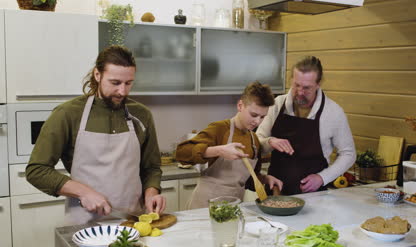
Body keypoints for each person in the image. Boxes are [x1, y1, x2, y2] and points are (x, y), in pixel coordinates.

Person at [26, 45, 166, 225]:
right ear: (97, 75)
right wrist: (83, 192)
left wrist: (152, 192)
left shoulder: (142, 115)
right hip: (84, 222)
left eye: (128, 83)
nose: (122, 91)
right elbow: (37, 170)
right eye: (115, 83)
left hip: (133, 220)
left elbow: (151, 167)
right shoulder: (67, 114)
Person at [256, 56, 356, 195]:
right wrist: (270, 141)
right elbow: (256, 143)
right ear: (291, 79)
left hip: (314, 195)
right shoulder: (277, 104)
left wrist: (322, 178)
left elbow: (349, 154)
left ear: (318, 83)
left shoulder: (333, 112)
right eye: (296, 85)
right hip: (275, 192)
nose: (300, 92)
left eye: (306, 88)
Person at [176, 81, 283, 209]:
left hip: (233, 208)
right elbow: (181, 153)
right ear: (240, 105)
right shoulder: (219, 129)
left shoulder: (254, 140)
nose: (257, 122)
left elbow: (248, 181)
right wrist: (218, 151)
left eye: (262, 117)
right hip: (204, 207)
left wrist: (265, 179)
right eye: (253, 115)